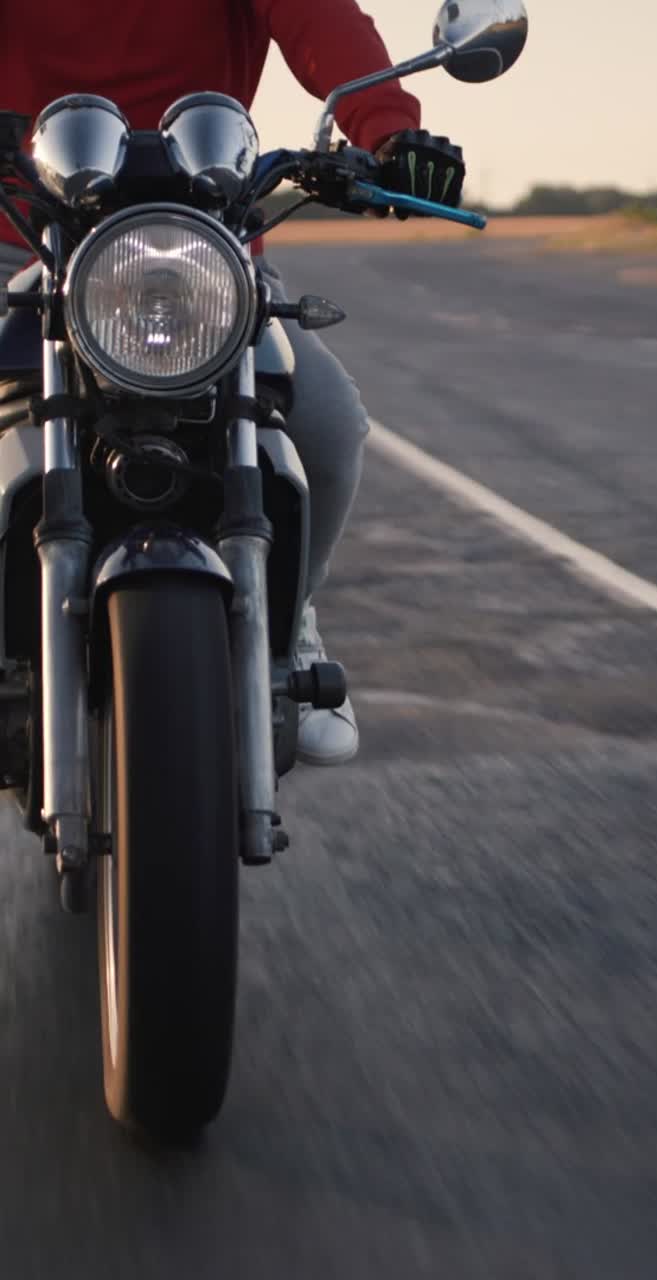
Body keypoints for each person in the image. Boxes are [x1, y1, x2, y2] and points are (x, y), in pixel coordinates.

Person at [0, 0, 464, 765]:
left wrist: (388, 128)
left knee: (322, 421)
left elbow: (320, 18)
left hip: (197, 239)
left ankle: (286, 624)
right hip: (19, 226)